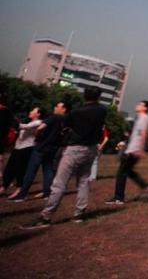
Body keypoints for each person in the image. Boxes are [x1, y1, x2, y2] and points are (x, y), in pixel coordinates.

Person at [21, 87, 108, 228]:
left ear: (84, 96)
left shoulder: (76, 112)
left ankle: (46, 216)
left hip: (75, 148)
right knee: (83, 181)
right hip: (91, 148)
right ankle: (79, 214)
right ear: (99, 97)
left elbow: (66, 127)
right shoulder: (102, 111)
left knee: (60, 183)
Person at [10, 101, 69, 202]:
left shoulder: (53, 117)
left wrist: (38, 135)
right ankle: (47, 193)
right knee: (48, 170)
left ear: (64, 109)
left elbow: (41, 127)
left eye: (57, 106)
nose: (55, 107)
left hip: (41, 147)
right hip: (53, 148)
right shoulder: (67, 120)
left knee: (31, 171)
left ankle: (22, 195)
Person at [106, 100, 148, 204]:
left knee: (122, 172)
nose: (137, 105)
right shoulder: (141, 119)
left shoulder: (143, 118)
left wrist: (137, 149)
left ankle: (118, 198)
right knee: (128, 171)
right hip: (134, 149)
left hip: (134, 150)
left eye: (140, 104)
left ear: (145, 108)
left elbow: (141, 135)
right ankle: (147, 188)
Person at [4, 106, 44, 198]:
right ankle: (4, 186)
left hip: (26, 148)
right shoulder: (29, 121)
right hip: (18, 148)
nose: (30, 112)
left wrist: (8, 116)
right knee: (10, 168)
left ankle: (19, 189)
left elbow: (22, 127)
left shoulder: (38, 122)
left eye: (33, 111)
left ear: (38, 114)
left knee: (20, 170)